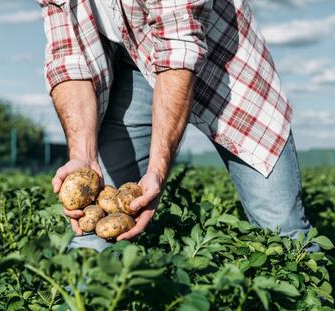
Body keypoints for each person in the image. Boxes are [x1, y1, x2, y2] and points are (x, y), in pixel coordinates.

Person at [36, 0, 316, 252]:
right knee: (94, 227)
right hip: (132, 64)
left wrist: (157, 171)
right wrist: (82, 156)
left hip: (226, 64)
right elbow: (67, 58)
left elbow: (178, 48)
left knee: (282, 231)